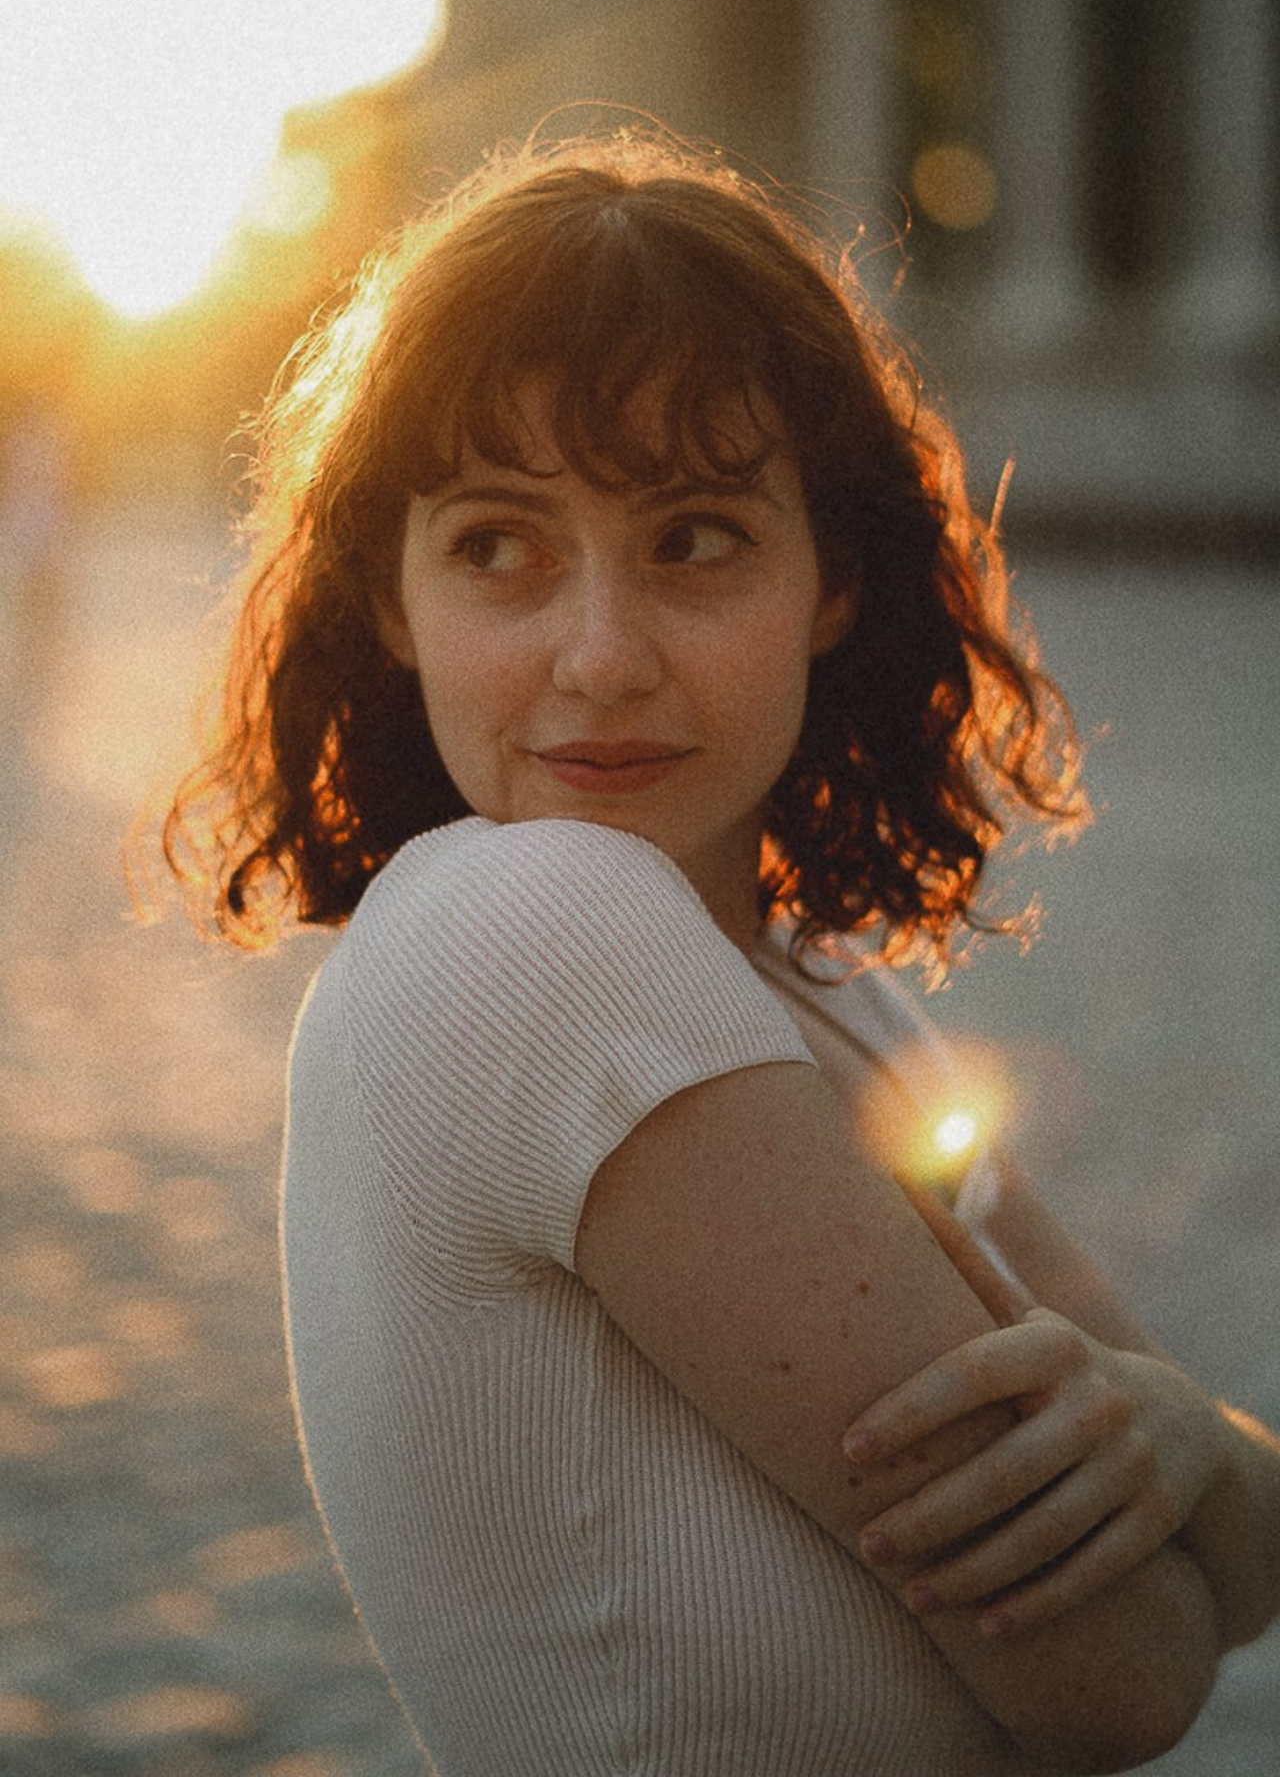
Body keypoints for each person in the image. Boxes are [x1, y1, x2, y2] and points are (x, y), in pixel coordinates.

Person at [162, 128, 1280, 1775]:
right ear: (392, 599)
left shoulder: (830, 985)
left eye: (693, 539)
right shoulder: (531, 933)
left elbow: (1219, 1547)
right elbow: (1126, 1673)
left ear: (830, 579)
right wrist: (1207, 1471)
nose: (600, 656)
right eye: (498, 545)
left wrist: (1188, 1441)